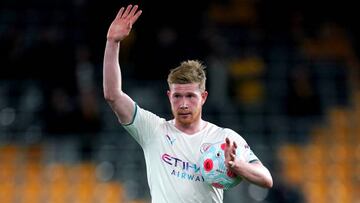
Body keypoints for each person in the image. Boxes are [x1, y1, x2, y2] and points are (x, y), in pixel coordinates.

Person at [103, 4, 273, 203]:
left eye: (191, 96)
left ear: (204, 97)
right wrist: (112, 42)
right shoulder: (154, 130)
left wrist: (238, 165)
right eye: (177, 97)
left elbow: (266, 179)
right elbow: (113, 95)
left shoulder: (224, 138)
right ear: (169, 96)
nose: (183, 104)